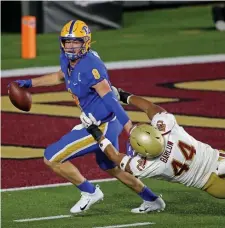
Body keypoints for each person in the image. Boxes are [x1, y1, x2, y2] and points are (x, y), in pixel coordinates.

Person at [9, 20, 165, 214]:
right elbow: (60, 76)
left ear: (87, 42)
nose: (71, 46)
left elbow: (110, 100)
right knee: (110, 166)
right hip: (99, 121)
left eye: (77, 42)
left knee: (51, 157)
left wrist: (129, 126)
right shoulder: (67, 59)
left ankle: (90, 192)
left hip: (102, 125)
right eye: (68, 42)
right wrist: (29, 83)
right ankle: (152, 199)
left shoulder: (91, 67)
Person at [80, 86, 225, 210]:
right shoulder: (167, 128)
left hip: (212, 185)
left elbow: (115, 156)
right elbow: (150, 108)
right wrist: (125, 96)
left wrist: (95, 131)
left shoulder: (147, 165)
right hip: (217, 160)